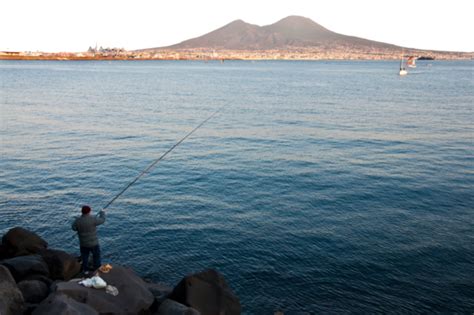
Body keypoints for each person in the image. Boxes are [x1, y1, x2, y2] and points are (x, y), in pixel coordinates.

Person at [72, 205, 106, 274]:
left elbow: (74, 228)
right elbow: (102, 220)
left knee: (85, 257)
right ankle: (96, 270)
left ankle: (85, 270)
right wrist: (102, 212)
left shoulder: (77, 220)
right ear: (89, 211)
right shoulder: (93, 219)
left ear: (82, 212)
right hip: (94, 243)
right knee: (96, 256)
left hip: (83, 243)